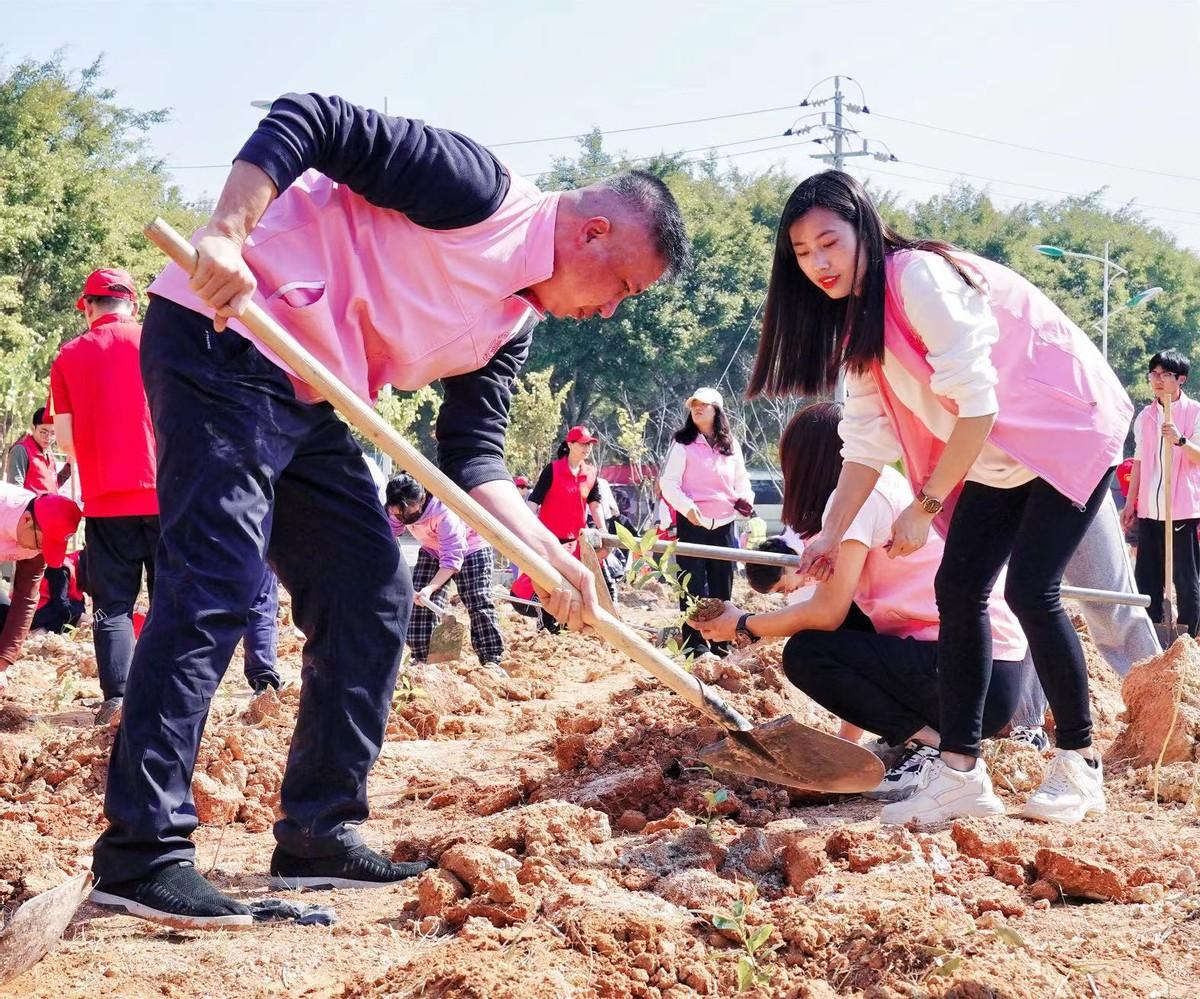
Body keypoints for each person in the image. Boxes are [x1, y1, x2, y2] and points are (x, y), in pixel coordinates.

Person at [88, 91, 688, 929]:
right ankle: (141, 854)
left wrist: (549, 559)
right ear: (592, 232)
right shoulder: (477, 191)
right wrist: (225, 234)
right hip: (224, 336)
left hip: (306, 386)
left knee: (373, 586)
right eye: (621, 284)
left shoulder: (511, 327)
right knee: (217, 578)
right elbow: (311, 119)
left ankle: (319, 832)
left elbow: (472, 457)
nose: (612, 308)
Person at [748, 170, 1132, 825]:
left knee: (1031, 590)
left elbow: (978, 404)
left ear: (863, 229)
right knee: (959, 589)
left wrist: (923, 507)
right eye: (804, 253)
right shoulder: (857, 324)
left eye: (829, 243)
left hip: (1065, 426)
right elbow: (865, 440)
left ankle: (1078, 760)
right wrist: (830, 532)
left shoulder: (916, 278)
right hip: (996, 452)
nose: (818, 263)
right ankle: (960, 775)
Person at [698, 403, 1029, 806]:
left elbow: (825, 613)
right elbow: (845, 623)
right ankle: (921, 747)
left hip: (971, 679)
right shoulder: (887, 483)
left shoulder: (856, 497)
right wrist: (846, 748)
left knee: (806, 654)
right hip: (992, 674)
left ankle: (941, 753)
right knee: (840, 629)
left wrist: (745, 623)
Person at [48, 268, 160, 727]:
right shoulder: (157, 342)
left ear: (89, 306)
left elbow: (67, 443)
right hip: (165, 496)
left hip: (105, 502)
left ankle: (117, 699)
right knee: (171, 599)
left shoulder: (69, 357)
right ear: (132, 304)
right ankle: (168, 696)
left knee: (113, 604)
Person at [1009, 493, 1161, 750]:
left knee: (1112, 604)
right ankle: (1028, 723)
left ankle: (1164, 701)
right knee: (1024, 600)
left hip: (1084, 476)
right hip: (1015, 480)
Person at [658, 388, 754, 657]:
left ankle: (722, 643)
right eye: (694, 405)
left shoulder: (731, 444)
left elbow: (742, 480)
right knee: (692, 585)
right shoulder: (682, 443)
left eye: (704, 405)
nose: (697, 408)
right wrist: (687, 509)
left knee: (723, 584)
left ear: (717, 410)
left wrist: (745, 499)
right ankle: (694, 645)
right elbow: (668, 483)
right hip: (693, 521)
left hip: (724, 521)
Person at [386, 473, 504, 672]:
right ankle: (424, 660)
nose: (404, 518)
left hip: (470, 549)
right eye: (399, 514)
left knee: (477, 600)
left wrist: (430, 589)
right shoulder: (395, 510)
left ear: (422, 499)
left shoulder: (443, 512)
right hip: (432, 549)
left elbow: (452, 559)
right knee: (418, 605)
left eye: (409, 511)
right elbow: (387, 535)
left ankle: (492, 660)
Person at [1122, 349, 1200, 637]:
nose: (1157, 380)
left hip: (1181, 509)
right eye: (1153, 373)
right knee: (1147, 576)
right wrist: (1131, 503)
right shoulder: (1145, 416)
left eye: (1165, 374)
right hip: (1150, 510)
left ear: (1181, 379)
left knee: (1185, 577)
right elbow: (1139, 461)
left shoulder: (1195, 412)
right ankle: (1150, 632)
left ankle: (1189, 636)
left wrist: (1180, 440)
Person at [0, 485, 82, 695]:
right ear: (27, 521)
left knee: (4, 615)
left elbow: (26, 597)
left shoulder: (35, 532)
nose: (39, 552)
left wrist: (3, 662)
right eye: (40, 544)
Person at [527, 427, 606, 544]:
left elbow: (595, 506)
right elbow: (534, 500)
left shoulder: (591, 473)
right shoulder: (553, 469)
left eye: (589, 444)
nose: (588, 447)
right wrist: (525, 526)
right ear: (570, 444)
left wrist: (603, 529)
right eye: (583, 443)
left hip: (578, 540)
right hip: (549, 539)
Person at [5, 407, 72, 493]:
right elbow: (16, 491)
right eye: (43, 432)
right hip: (33, 506)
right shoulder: (21, 450)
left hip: (49, 505)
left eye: (53, 433)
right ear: (33, 428)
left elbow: (53, 487)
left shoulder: (48, 453)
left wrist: (68, 466)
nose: (48, 438)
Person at [32, 548, 86, 633]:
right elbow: (61, 603)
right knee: (76, 611)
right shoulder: (63, 569)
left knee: (79, 607)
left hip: (49, 607)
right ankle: (41, 630)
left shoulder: (79, 568)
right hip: (36, 611)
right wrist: (83, 618)